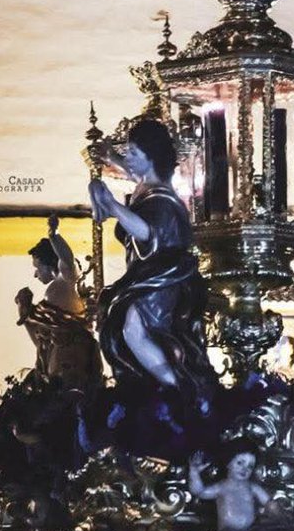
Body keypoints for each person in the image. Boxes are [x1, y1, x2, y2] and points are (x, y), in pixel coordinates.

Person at [88, 118, 214, 392]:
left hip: (162, 277)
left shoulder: (162, 198)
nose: (127, 158)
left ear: (151, 157)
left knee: (133, 326)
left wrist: (113, 207)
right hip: (147, 273)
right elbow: (135, 173)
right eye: (128, 152)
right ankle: (152, 385)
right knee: (123, 320)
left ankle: (177, 388)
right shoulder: (146, 184)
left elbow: (147, 232)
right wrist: (111, 157)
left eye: (133, 153)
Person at [15, 217, 102, 387]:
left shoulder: (66, 279)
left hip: (72, 349)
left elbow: (67, 260)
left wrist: (54, 235)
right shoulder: (54, 294)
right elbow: (41, 340)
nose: (35, 274)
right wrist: (25, 313)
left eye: (37, 267)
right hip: (55, 351)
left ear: (49, 265)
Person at [188, 451, 274, 531]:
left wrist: (276, 510)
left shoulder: (252, 487)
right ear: (228, 463)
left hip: (251, 529)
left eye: (250, 466)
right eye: (240, 463)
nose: (244, 469)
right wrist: (194, 473)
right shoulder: (222, 487)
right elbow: (200, 492)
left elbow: (268, 502)